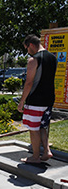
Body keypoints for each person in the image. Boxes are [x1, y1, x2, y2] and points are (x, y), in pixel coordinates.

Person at [18, 34, 58, 163]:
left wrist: (22, 101)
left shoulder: (33, 59)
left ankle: (35, 157)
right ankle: (46, 151)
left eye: (27, 48)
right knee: (42, 126)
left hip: (35, 100)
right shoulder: (53, 58)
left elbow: (29, 83)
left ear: (31, 45)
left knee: (33, 129)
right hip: (49, 99)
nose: (27, 52)